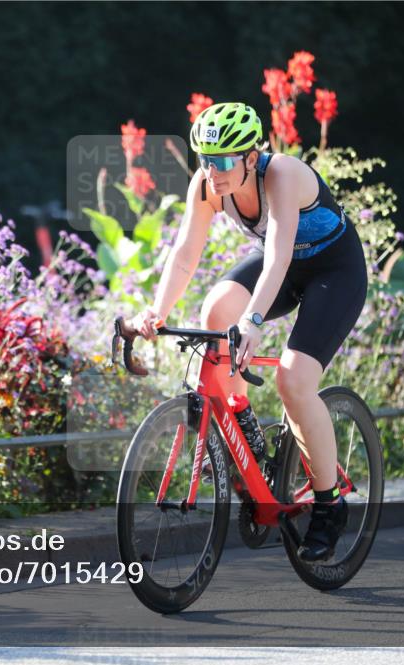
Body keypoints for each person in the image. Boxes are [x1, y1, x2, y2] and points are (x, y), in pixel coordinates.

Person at [132, 102, 368, 561]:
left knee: (293, 379)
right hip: (287, 267)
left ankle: (328, 505)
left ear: (250, 155)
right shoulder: (207, 185)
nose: (212, 171)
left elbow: (278, 257)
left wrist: (254, 322)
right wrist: (156, 312)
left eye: (222, 161)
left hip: (333, 271)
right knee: (215, 309)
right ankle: (243, 423)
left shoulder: (281, 174)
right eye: (204, 158)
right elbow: (184, 255)